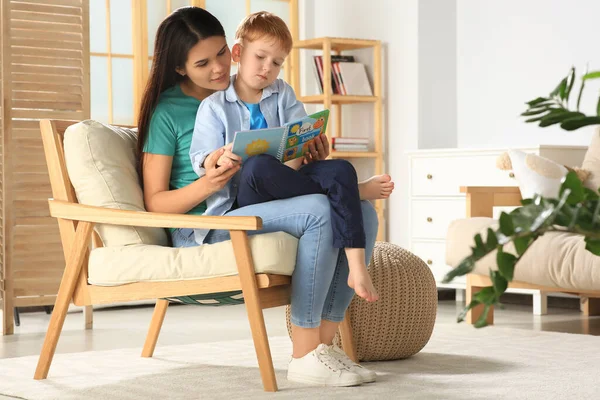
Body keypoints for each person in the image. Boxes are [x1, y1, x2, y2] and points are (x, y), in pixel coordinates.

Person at [137, 6, 379, 387]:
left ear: (232, 50)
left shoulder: (269, 93)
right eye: (203, 62)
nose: (219, 68)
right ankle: (303, 354)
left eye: (221, 53)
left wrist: (308, 149)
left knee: (364, 212)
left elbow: (289, 158)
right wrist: (210, 182)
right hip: (208, 223)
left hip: (261, 202)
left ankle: (324, 349)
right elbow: (155, 203)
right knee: (320, 208)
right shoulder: (173, 112)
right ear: (181, 67)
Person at [189, 12, 394, 303]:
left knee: (340, 169)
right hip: (245, 196)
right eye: (260, 57)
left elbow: (299, 138)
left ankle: (357, 266)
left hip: (287, 181)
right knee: (258, 165)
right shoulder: (214, 106)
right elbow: (201, 158)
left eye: (276, 63)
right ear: (238, 53)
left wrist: (311, 149)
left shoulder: (283, 93)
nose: (267, 69)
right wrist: (217, 159)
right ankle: (352, 192)